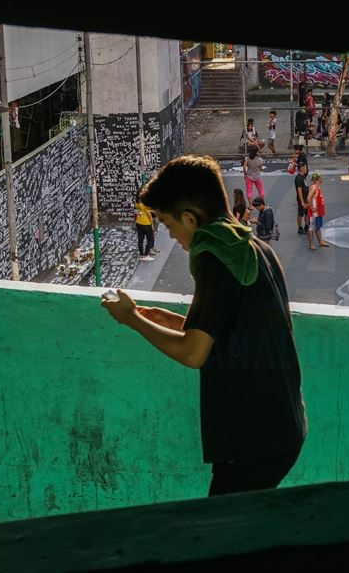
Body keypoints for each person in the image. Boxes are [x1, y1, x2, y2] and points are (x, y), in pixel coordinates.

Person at [102, 156, 306, 497]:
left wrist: (131, 318)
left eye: (168, 224)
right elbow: (224, 329)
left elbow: (193, 352)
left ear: (189, 218)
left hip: (255, 440)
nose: (171, 235)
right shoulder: (252, 247)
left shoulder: (216, 260)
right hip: (283, 426)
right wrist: (162, 318)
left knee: (220, 525)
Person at [306, 172, 330, 250]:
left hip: (318, 211)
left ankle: (320, 241)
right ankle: (311, 244)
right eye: (321, 177)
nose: (322, 178)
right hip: (314, 212)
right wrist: (312, 208)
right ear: (318, 179)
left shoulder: (316, 187)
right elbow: (308, 198)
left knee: (317, 226)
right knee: (311, 228)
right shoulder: (314, 187)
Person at [134, 191, 156, 261]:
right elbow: (149, 215)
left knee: (140, 239)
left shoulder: (137, 203)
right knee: (150, 239)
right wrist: (152, 225)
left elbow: (136, 212)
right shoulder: (144, 204)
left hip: (138, 222)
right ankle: (146, 255)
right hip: (146, 223)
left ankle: (141, 255)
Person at [294, 163, 310, 234]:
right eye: (305, 167)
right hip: (302, 199)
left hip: (306, 198)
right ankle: (300, 228)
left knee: (307, 213)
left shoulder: (303, 176)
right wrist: (302, 202)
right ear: (301, 168)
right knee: (300, 213)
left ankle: (306, 226)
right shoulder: (299, 178)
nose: (306, 169)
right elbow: (299, 191)